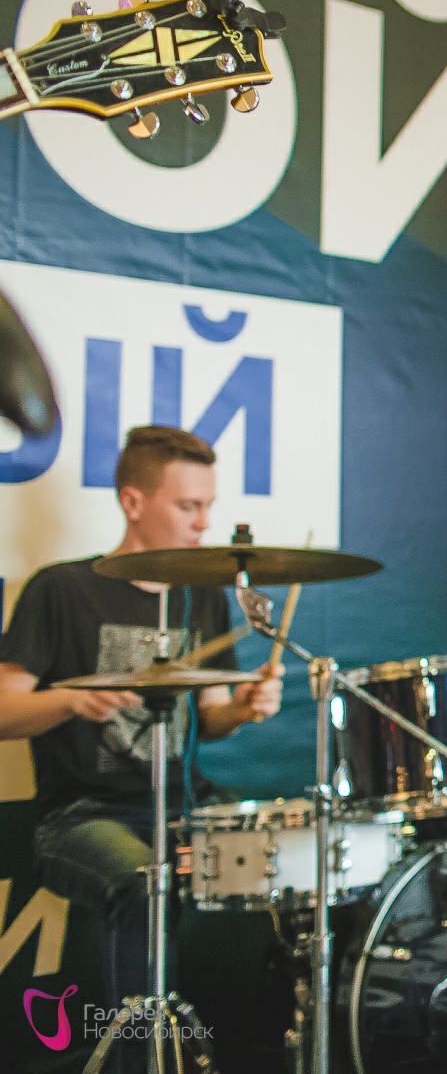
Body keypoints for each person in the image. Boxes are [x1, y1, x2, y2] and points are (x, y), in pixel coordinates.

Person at [0, 425, 283, 1030]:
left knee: (292, 857)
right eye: (188, 506)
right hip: (83, 814)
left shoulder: (200, 597)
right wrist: (70, 701)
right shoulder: (61, 588)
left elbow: (210, 719)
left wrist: (244, 708)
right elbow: (3, 712)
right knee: (143, 881)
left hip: (185, 806)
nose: (204, 523)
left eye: (207, 505)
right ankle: (141, 1048)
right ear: (133, 502)